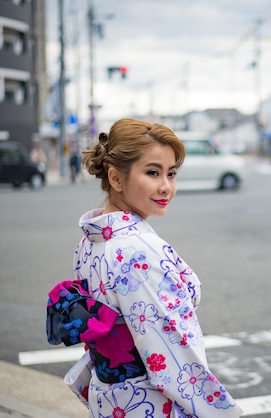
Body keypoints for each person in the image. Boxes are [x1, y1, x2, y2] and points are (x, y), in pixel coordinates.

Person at [67, 118, 243, 417]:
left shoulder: (90, 241)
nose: (166, 187)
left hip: (111, 399)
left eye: (171, 173)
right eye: (152, 172)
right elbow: (171, 348)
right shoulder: (138, 251)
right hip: (152, 402)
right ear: (116, 178)